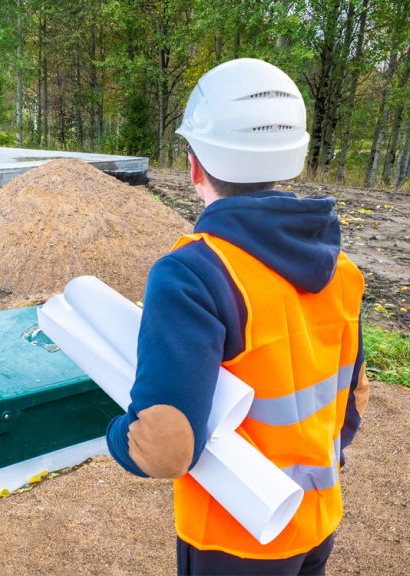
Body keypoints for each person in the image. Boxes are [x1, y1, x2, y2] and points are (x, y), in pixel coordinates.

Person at [106, 58, 370, 575]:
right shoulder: (343, 270)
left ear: (195, 165)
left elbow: (164, 446)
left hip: (234, 539)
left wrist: (115, 434)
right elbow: (353, 397)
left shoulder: (194, 273)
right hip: (315, 520)